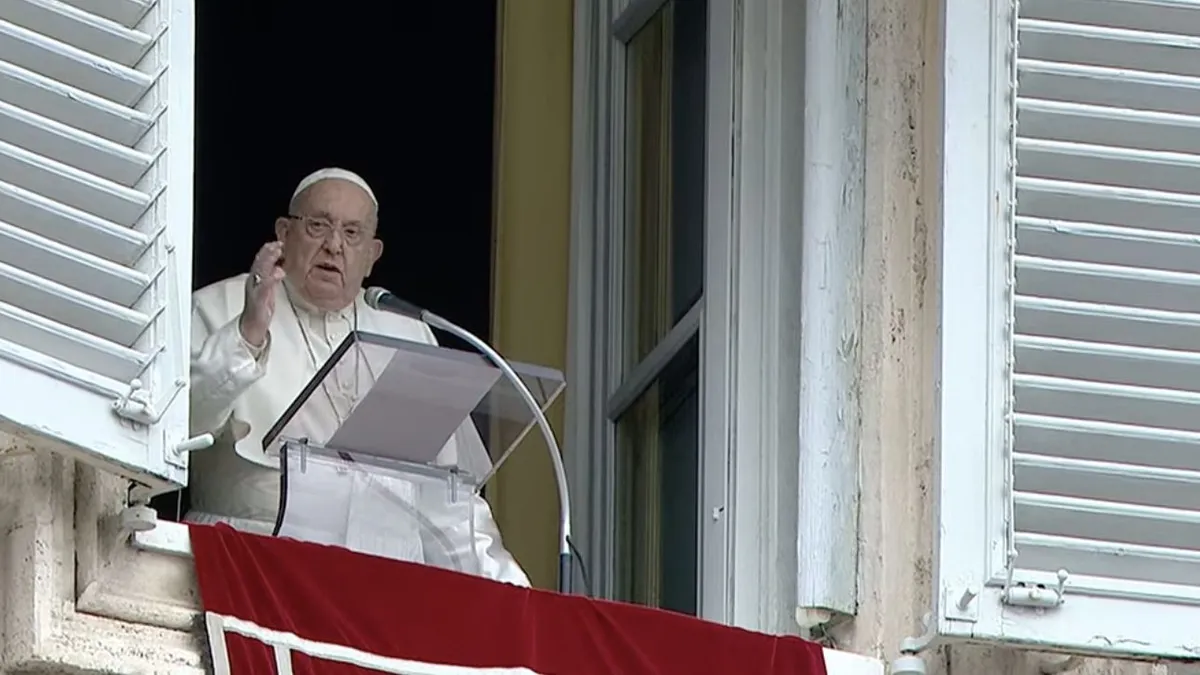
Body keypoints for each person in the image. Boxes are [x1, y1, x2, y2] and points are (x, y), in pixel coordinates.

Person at [185, 167, 529, 586]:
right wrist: (247, 335)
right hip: (253, 564)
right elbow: (181, 426)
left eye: (352, 234)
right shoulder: (218, 307)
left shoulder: (407, 332)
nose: (334, 246)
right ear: (284, 233)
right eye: (318, 226)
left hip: (385, 578)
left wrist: (511, 590)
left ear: (371, 255)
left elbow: (445, 495)